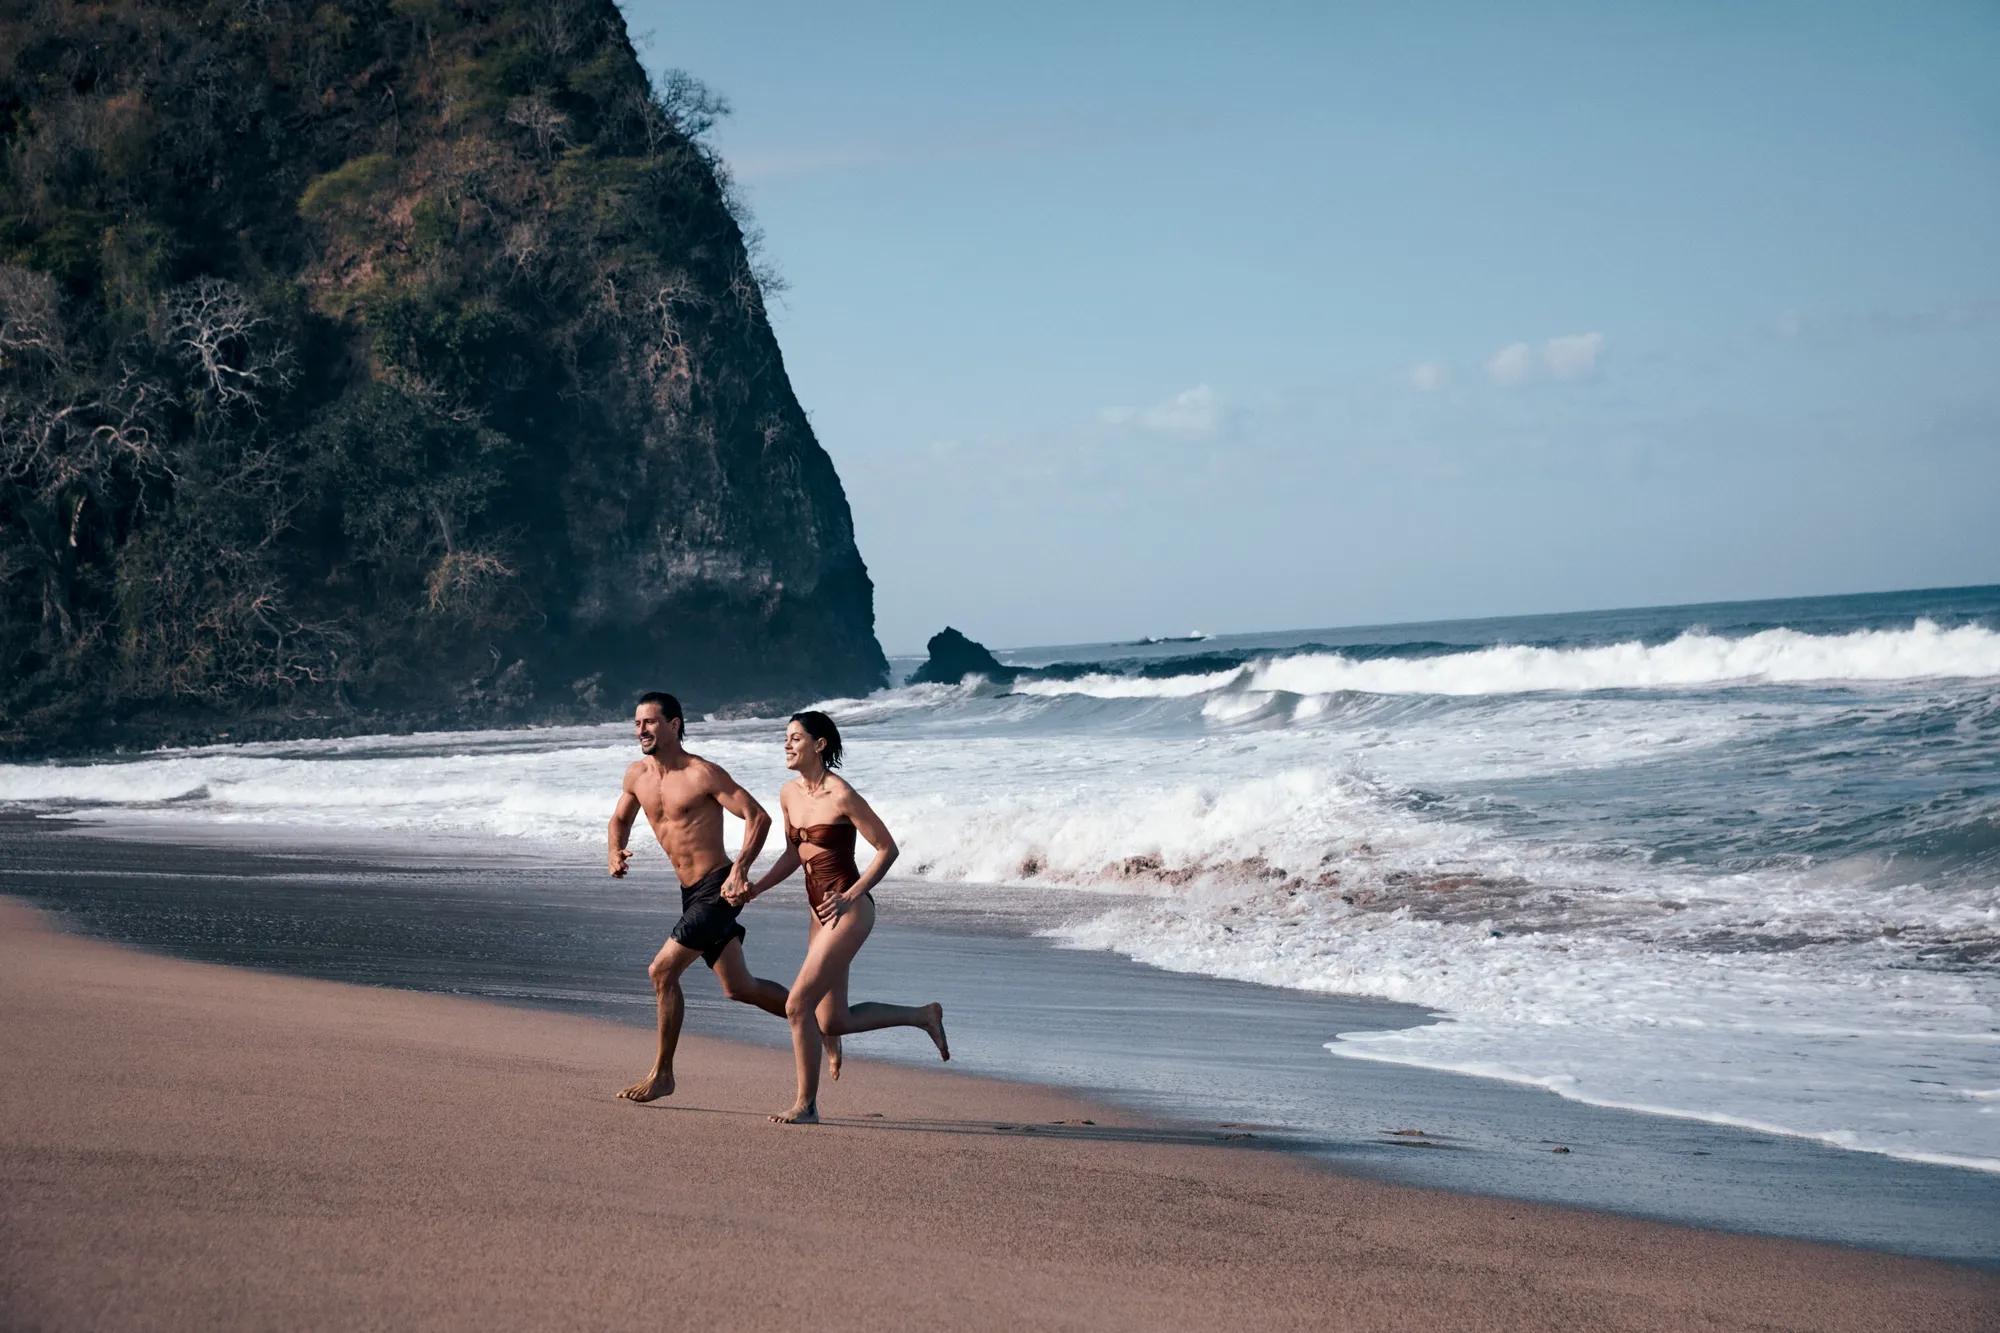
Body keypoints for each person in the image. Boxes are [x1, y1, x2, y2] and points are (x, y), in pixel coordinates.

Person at [729, 710, 948, 1124]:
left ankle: (806, 1104)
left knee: (798, 1005)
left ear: (819, 745)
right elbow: (796, 852)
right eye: (785, 737)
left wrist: (850, 896)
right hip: (817, 912)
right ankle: (922, 1015)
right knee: (833, 1019)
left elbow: (887, 849)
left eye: (795, 738)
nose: (787, 744)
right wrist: (758, 886)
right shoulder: (788, 794)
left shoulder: (841, 794)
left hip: (850, 911)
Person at [608, 691, 792, 1102]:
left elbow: (757, 817)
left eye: (650, 722)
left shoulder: (701, 773)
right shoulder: (637, 775)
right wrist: (613, 850)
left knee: (661, 972)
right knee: (739, 987)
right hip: (691, 894)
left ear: (674, 725)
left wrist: (741, 869)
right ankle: (817, 1023)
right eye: (637, 723)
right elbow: (619, 819)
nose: (641, 730)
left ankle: (663, 1074)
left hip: (720, 887)